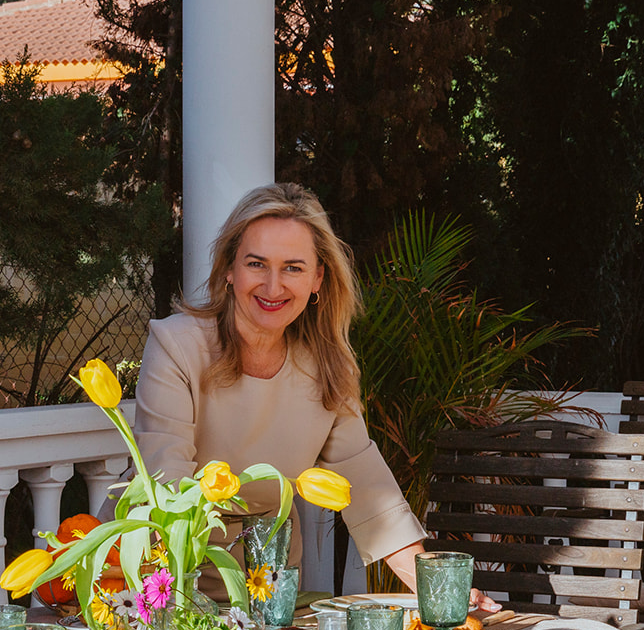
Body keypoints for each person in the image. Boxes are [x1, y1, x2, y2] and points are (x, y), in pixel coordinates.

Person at [135, 182, 495, 608]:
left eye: (293, 267)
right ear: (229, 270)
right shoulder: (176, 345)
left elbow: (366, 486)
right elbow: (166, 481)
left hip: (269, 585)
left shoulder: (328, 368)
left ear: (318, 278)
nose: (273, 286)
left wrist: (434, 587)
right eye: (256, 264)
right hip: (163, 578)